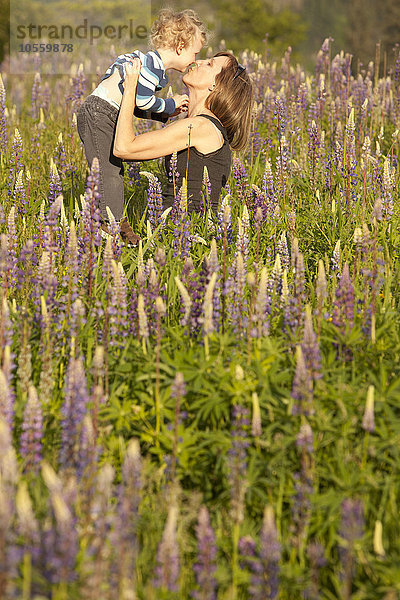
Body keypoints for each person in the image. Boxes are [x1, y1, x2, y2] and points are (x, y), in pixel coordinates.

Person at [76, 9, 207, 245]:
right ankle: (113, 226)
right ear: (180, 46)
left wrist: (165, 113)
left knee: (112, 170)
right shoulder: (151, 67)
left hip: (102, 112)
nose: (195, 60)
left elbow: (134, 105)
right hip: (100, 113)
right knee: (108, 171)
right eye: (195, 53)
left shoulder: (147, 63)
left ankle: (107, 223)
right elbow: (141, 101)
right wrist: (170, 104)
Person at [113, 52, 253, 214]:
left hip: (180, 231)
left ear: (216, 85)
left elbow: (123, 148)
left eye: (209, 64)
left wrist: (131, 86)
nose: (198, 61)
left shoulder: (200, 127)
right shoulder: (202, 125)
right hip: (177, 230)